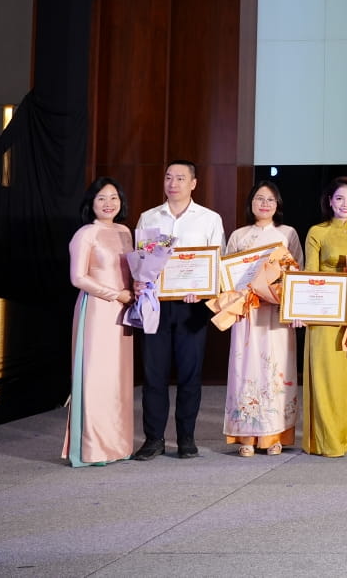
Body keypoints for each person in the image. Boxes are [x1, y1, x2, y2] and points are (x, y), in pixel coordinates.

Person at [133, 160, 226, 461]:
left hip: (192, 307)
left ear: (194, 183)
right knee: (153, 374)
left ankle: (187, 438)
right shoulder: (149, 217)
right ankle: (153, 439)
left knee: (190, 374)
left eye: (181, 178)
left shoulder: (209, 219)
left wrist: (204, 287)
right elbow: (142, 261)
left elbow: (218, 263)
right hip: (155, 304)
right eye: (169, 177)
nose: (173, 183)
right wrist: (139, 281)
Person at [222, 181, 303, 457]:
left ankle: (274, 436)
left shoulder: (287, 234)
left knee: (276, 371)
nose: (265, 204)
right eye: (259, 198)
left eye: (270, 199)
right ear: (251, 203)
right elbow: (227, 275)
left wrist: (286, 302)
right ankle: (246, 435)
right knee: (245, 370)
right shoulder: (239, 235)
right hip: (247, 312)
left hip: (276, 314)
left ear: (277, 204)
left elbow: (297, 271)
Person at [63, 177, 135, 467]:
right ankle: (93, 449)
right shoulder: (86, 233)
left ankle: (118, 445)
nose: (108, 203)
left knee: (119, 378)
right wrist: (116, 294)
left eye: (114, 197)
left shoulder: (124, 232)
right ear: (91, 203)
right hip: (96, 310)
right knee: (96, 377)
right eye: (101, 198)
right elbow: (78, 278)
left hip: (124, 311)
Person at [301, 177, 347, 457]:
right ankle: (327, 441)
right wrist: (303, 309)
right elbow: (309, 274)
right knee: (325, 378)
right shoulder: (317, 232)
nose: (345, 204)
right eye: (339, 198)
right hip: (323, 314)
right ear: (329, 201)